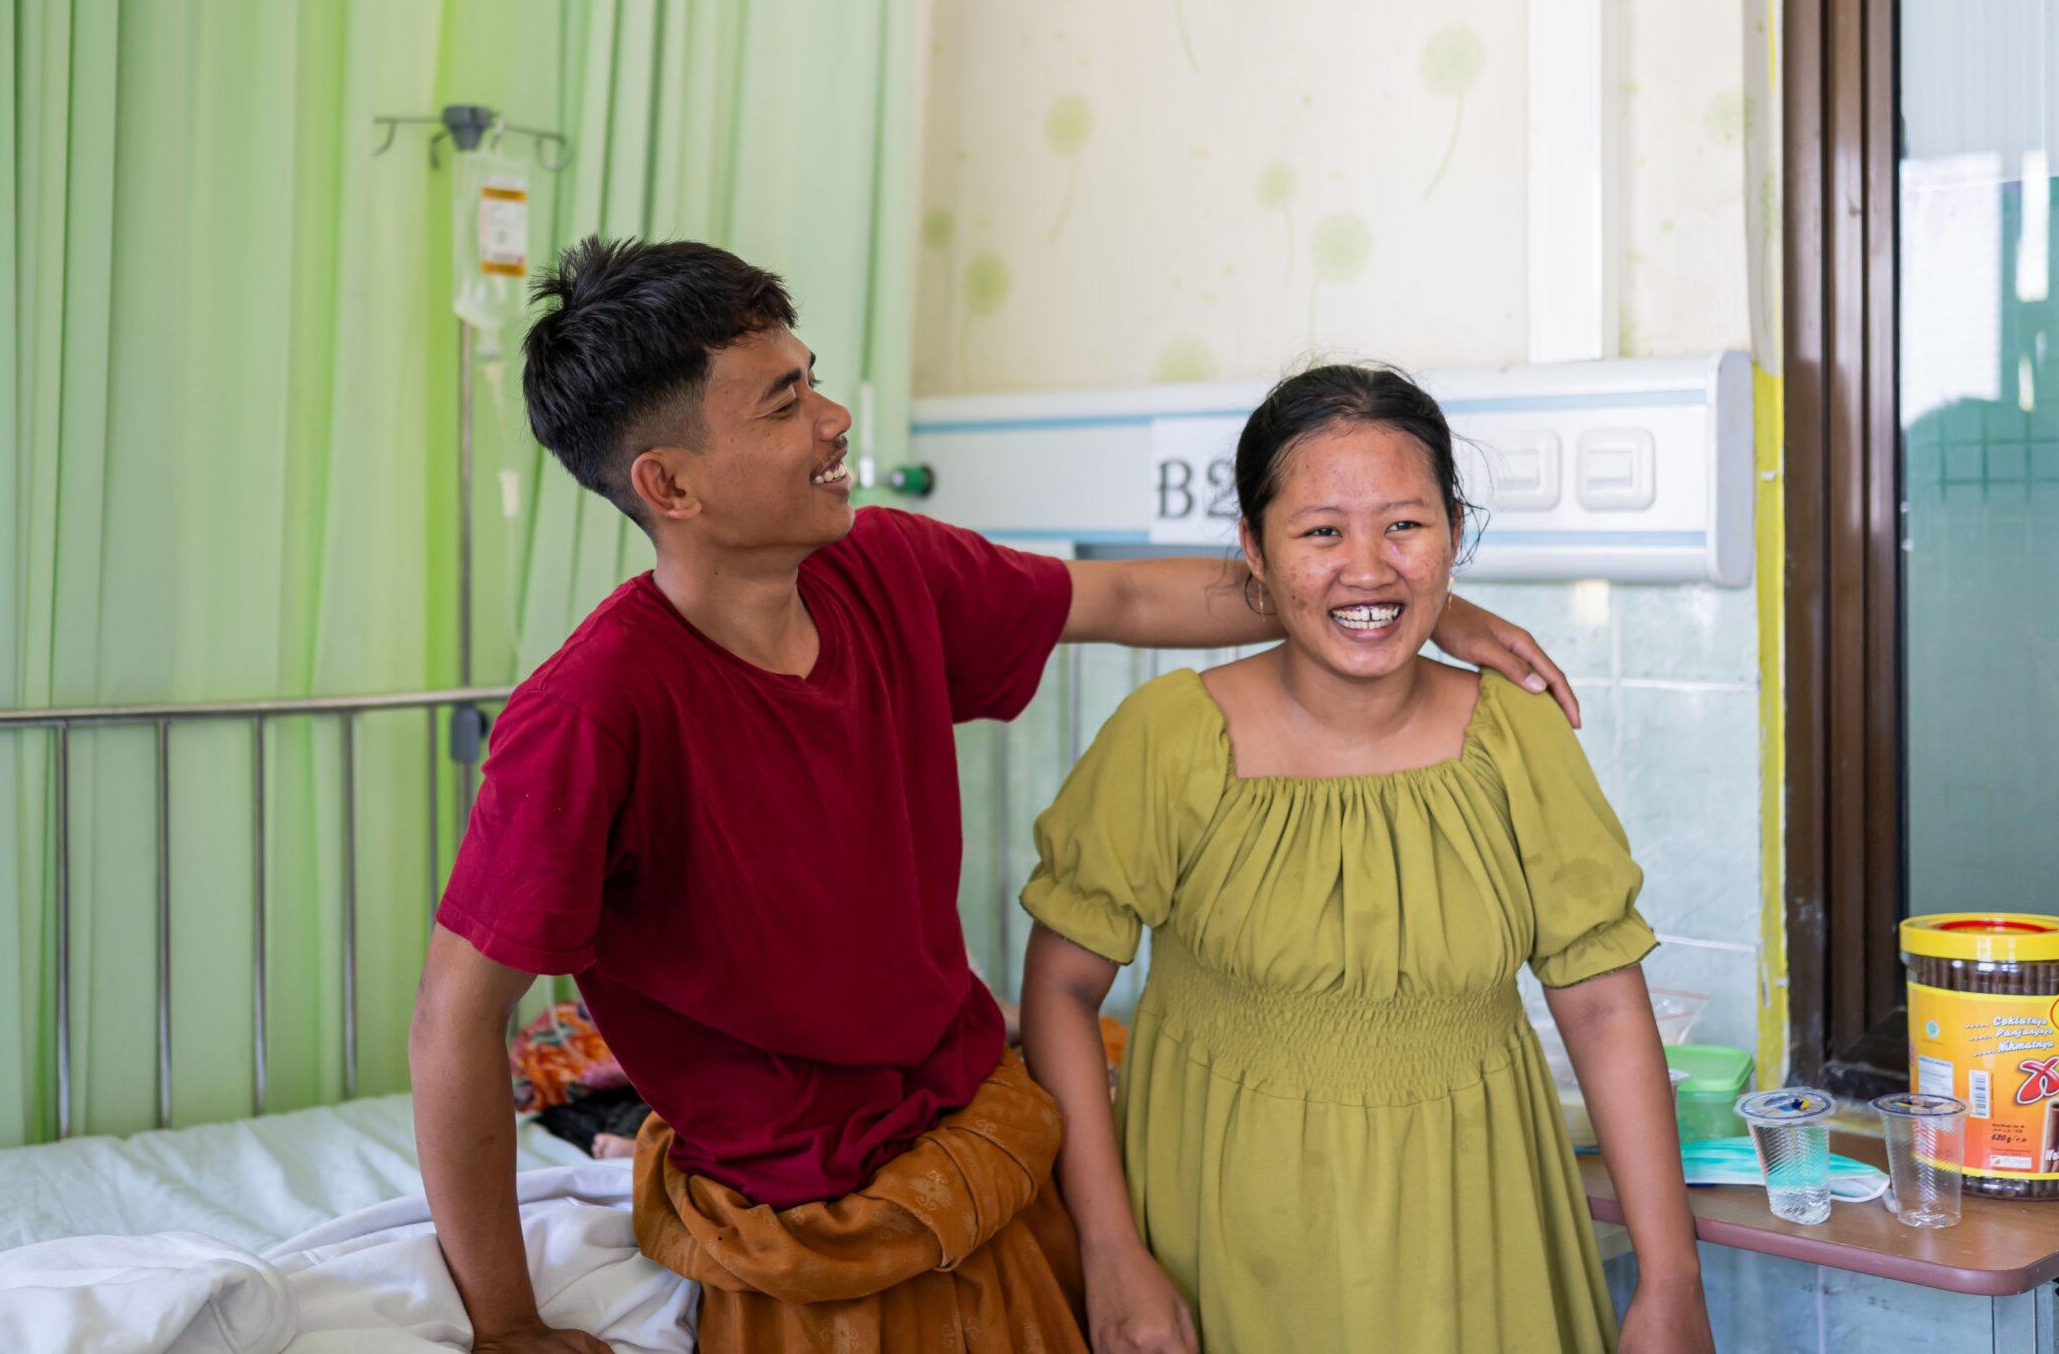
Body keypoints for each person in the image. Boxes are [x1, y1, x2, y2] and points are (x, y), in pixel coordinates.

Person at [408, 242, 1584, 1353]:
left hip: (981, 1138)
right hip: (799, 1216)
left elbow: (1121, 598)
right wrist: (506, 1324)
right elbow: (456, 1022)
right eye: (781, 404)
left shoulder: (884, 571)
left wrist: (1393, 607)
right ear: (670, 482)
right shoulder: (592, 715)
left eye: (811, 380)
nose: (833, 419)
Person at [1018, 364, 1709, 1354]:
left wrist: (1670, 1275)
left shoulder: (1519, 738)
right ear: (1253, 551)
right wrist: (1110, 1249)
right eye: (1320, 532)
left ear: (1454, 535)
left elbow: (1601, 1004)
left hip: (1486, 1242)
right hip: (1226, 1254)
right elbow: (1059, 992)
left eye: (1404, 525)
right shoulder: (1169, 740)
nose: (1369, 568)